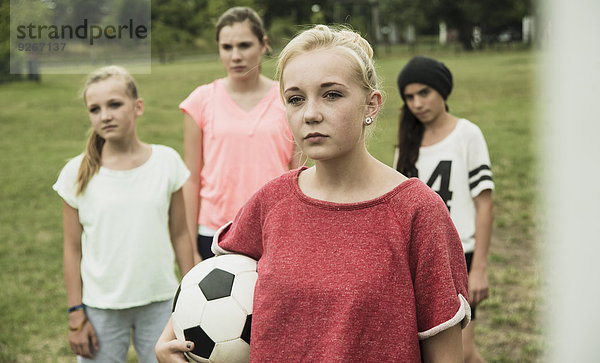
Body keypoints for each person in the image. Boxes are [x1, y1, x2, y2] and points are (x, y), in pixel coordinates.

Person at [156, 25, 470, 362]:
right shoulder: (272, 201)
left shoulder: (417, 211)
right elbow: (209, 285)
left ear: (371, 105)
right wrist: (167, 341)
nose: (310, 114)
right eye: (295, 99)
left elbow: (446, 354)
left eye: (331, 94)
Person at [53, 65, 195, 362]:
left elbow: (181, 233)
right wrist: (75, 315)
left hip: (160, 301)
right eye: (95, 109)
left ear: (137, 106)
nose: (105, 115)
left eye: (114, 104)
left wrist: (191, 296)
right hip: (101, 307)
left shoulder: (166, 162)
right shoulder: (76, 173)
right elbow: (71, 248)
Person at [180, 6, 302, 263]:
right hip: (215, 231)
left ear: (263, 44)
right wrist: (190, 245)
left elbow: (299, 174)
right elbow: (191, 179)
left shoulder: (289, 100)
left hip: (273, 229)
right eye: (227, 47)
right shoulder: (200, 101)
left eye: (245, 45)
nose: (236, 56)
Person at [394, 55, 495, 363]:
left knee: (461, 350)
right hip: (418, 256)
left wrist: (477, 269)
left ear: (442, 91)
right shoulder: (408, 141)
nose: (416, 103)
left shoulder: (467, 134)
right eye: (409, 97)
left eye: (424, 93)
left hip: (457, 257)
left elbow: (485, 204)